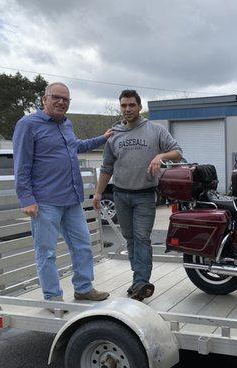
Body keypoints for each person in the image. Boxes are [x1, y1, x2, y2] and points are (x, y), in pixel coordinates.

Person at [13, 82, 112, 303]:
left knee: (83, 245)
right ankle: (53, 297)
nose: (61, 102)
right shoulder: (27, 125)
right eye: (56, 97)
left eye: (65, 99)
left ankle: (83, 288)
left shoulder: (67, 124)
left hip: (72, 199)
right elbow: (21, 165)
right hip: (45, 201)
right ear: (44, 99)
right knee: (47, 252)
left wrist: (102, 138)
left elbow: (75, 146)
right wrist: (26, 198)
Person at [94, 89, 182, 301]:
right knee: (130, 239)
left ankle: (142, 281)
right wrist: (98, 193)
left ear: (140, 107)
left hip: (144, 195)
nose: (127, 109)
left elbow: (178, 152)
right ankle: (138, 280)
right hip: (120, 195)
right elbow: (107, 168)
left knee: (142, 238)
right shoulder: (114, 135)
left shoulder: (155, 130)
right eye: (123, 105)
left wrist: (160, 156)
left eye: (131, 105)